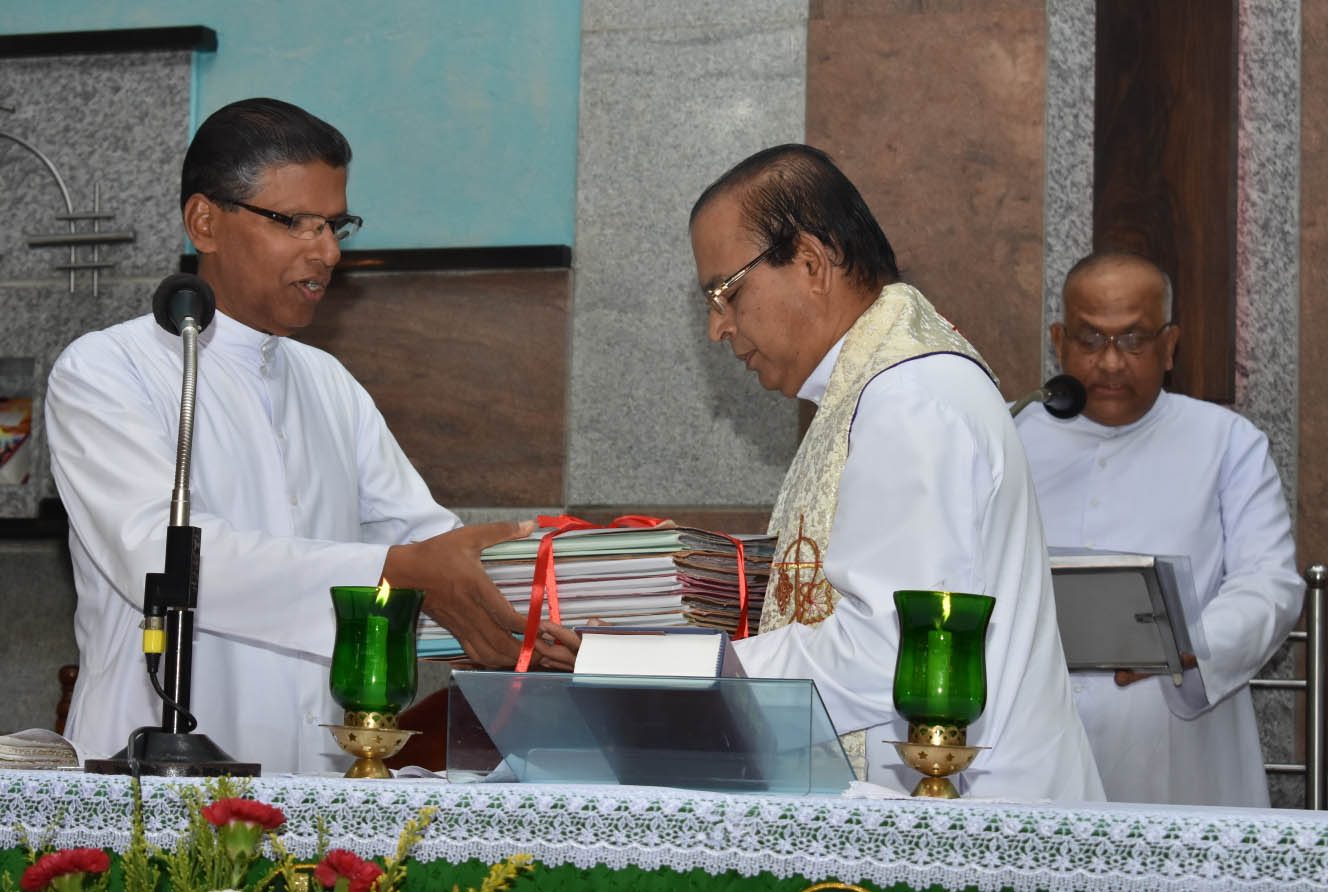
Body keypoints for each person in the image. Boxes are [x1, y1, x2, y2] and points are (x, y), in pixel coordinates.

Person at [46, 98, 575, 774]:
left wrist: (591, 598)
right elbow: (156, 555)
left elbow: (424, 543)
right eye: (296, 222)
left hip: (315, 783)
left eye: (335, 225)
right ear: (205, 222)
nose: (327, 252)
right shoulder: (107, 369)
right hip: (152, 771)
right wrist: (393, 571)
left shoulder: (327, 382)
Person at [688, 144, 1103, 800]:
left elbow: (891, 647)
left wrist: (705, 673)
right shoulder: (878, 387)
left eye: (727, 293)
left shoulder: (910, 398)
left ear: (810, 263)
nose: (718, 327)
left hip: (977, 811)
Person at [1014, 251, 1304, 806]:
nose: (1110, 362)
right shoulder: (1008, 433)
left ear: (1170, 346)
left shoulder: (1227, 443)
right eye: (1090, 338)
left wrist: (1193, 645)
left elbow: (1270, 582)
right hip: (1031, 740)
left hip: (1176, 744)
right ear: (1059, 341)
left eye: (1133, 339)